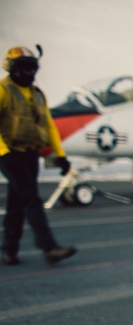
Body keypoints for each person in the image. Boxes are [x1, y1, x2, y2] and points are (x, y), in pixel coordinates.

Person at [0, 45, 76, 267]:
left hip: (30, 154)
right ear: (12, 68)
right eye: (24, 67)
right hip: (9, 154)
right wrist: (4, 153)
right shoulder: (4, 90)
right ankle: (49, 247)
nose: (30, 72)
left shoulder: (37, 94)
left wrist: (60, 156)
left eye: (33, 67)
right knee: (31, 198)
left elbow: (49, 126)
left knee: (17, 203)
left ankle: (8, 251)